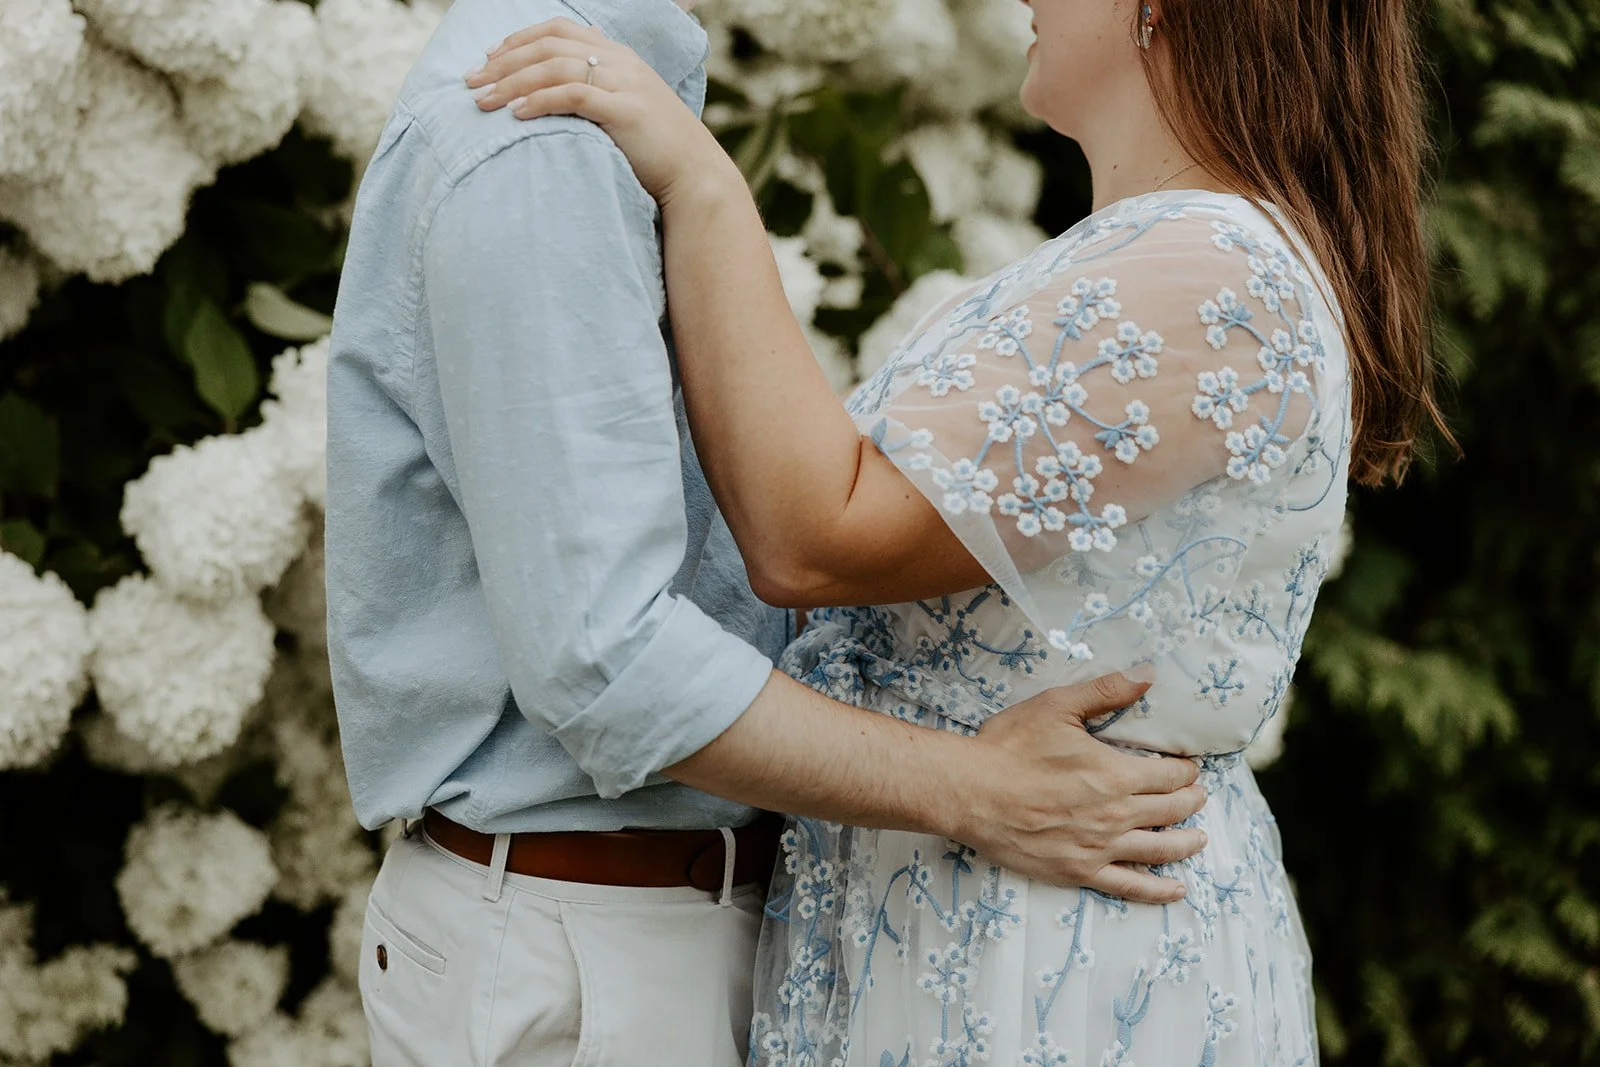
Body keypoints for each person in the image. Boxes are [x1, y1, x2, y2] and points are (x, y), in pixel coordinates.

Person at [464, 0, 1448, 1062]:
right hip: (978, 914)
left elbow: (814, 534)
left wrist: (701, 184)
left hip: (1043, 958)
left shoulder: (1213, 269)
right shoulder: (1169, 249)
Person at [323, 0, 1214, 1063]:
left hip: (638, 933)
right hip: (589, 957)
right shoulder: (538, 143)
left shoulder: (606, 106)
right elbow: (604, 657)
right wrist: (977, 789)